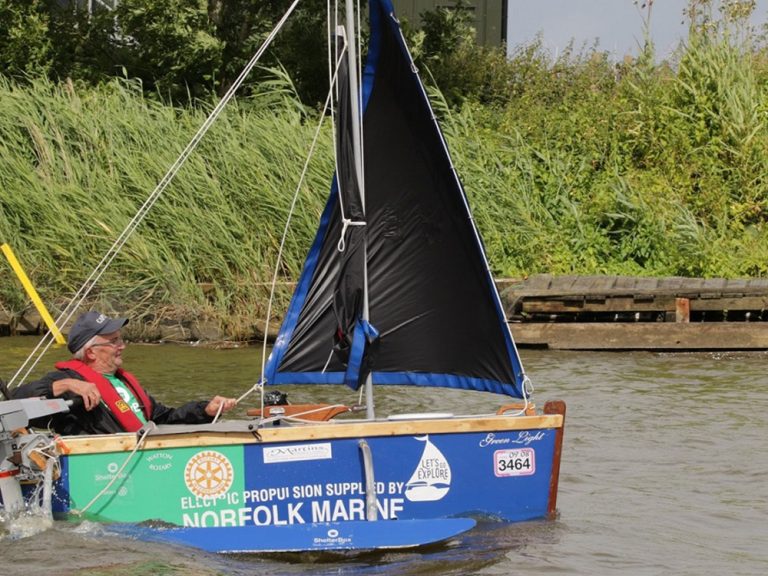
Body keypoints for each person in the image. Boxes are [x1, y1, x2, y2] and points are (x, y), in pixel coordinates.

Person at [12, 311, 237, 435]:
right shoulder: (71, 381)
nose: (122, 345)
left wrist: (205, 410)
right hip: (107, 468)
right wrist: (66, 386)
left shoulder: (123, 382)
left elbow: (163, 418)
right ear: (91, 352)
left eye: (120, 339)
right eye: (113, 341)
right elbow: (15, 400)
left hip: (146, 455)